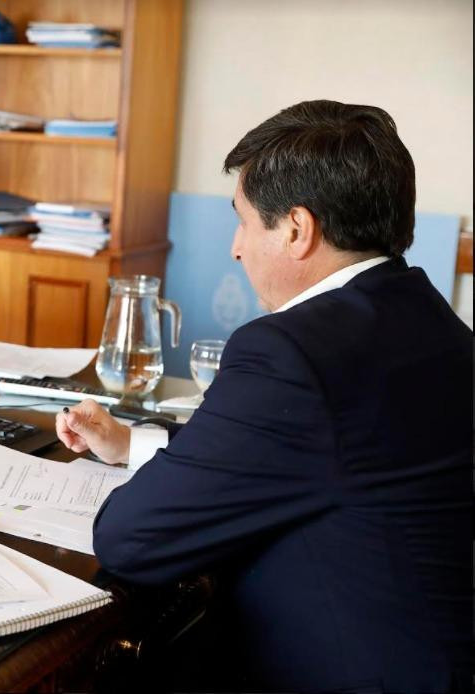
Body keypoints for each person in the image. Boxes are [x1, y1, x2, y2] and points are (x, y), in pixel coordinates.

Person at [56, 100, 471, 692]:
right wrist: (136, 445)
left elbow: (130, 541)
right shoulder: (426, 318)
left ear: (298, 230)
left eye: (245, 221)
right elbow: (304, 452)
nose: (236, 247)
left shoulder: (292, 353)